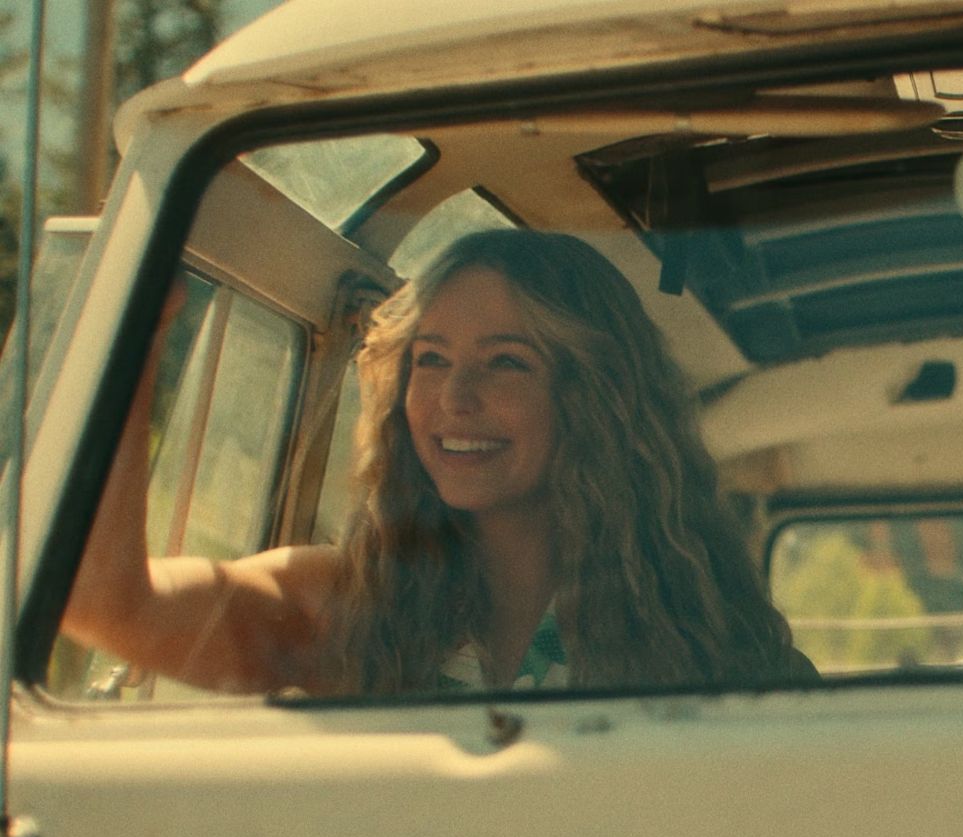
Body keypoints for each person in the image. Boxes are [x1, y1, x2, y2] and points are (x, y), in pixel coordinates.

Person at [62, 229, 813, 694]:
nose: (454, 397)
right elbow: (104, 603)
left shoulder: (707, 629)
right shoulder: (344, 605)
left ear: (592, 397)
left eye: (506, 363)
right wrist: (138, 331)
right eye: (430, 360)